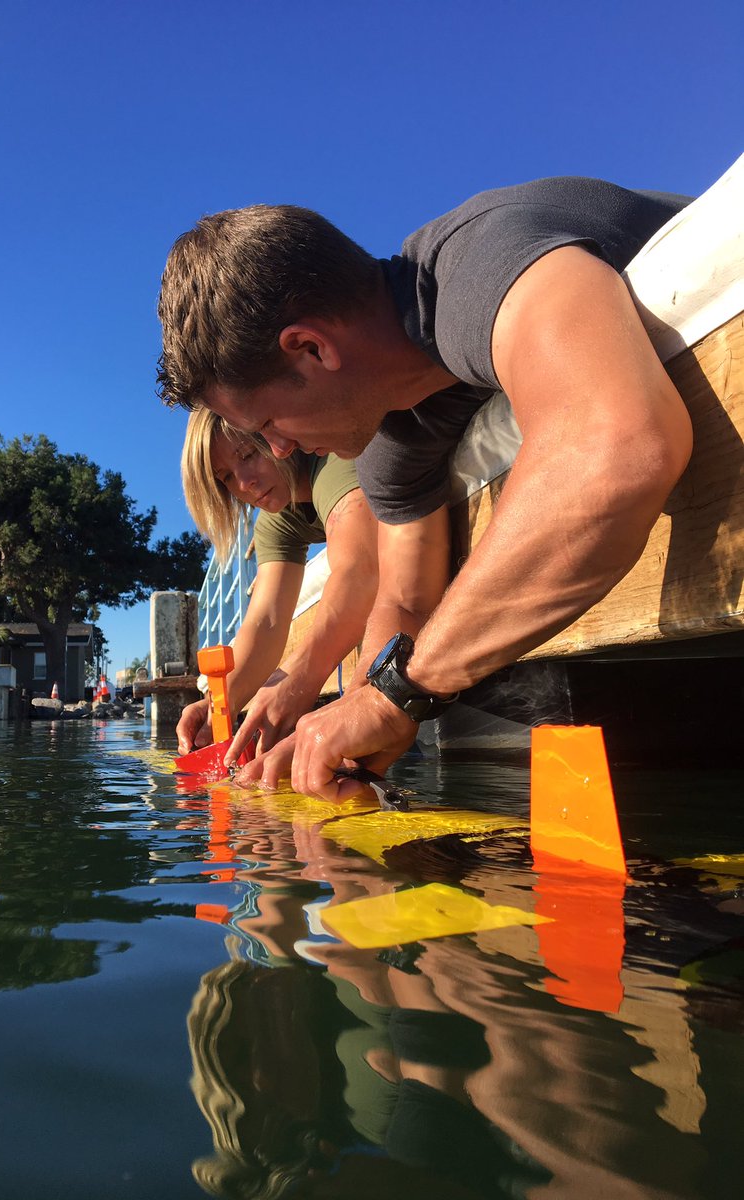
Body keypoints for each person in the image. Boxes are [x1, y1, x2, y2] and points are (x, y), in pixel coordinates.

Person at [158, 177, 694, 799]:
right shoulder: (391, 443)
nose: (278, 451)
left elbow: (618, 448)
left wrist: (398, 694)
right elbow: (408, 599)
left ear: (310, 348)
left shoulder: (475, 265)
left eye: (268, 425)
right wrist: (345, 736)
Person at [177, 407, 378, 756]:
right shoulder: (275, 519)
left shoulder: (333, 461)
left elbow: (362, 567)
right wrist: (216, 706)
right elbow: (266, 620)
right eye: (226, 477)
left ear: (274, 434)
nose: (244, 483)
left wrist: (299, 678)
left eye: (248, 455)